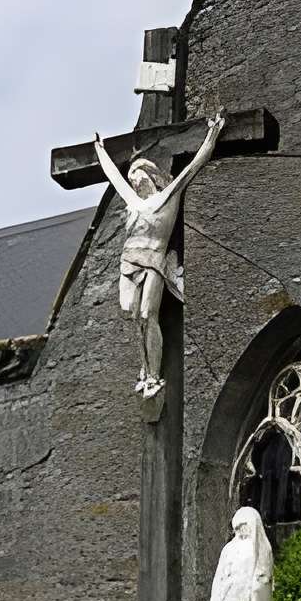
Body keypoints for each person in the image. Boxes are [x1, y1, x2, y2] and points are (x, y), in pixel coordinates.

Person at [93, 110, 226, 396]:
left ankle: (151, 374)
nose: (134, 180)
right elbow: (113, 178)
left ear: (151, 177)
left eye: (138, 175)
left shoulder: (167, 198)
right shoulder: (133, 203)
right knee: (130, 311)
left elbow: (192, 167)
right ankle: (144, 368)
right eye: (132, 177)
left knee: (146, 314)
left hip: (154, 261)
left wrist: (212, 134)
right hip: (129, 261)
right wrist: (100, 151)